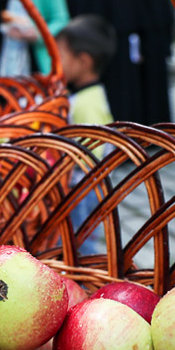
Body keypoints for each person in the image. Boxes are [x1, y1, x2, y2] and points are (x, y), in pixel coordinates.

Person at [55, 14, 117, 255]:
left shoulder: (86, 103)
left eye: (61, 56)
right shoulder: (86, 96)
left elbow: (94, 150)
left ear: (83, 61)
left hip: (83, 187)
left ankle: (82, 273)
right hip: (83, 185)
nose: (56, 62)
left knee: (79, 240)